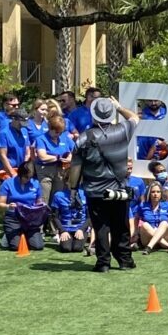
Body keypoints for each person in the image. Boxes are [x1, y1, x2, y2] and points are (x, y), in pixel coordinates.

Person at [67, 96, 140, 273]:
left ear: (93, 115)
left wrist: (73, 188)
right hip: (118, 189)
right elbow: (135, 119)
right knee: (120, 225)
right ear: (110, 114)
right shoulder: (122, 131)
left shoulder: (83, 138)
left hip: (95, 190)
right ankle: (124, 259)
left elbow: (75, 167)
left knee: (100, 227)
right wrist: (119, 107)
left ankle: (103, 262)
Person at [0, 160, 47, 251]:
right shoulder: (7, 183)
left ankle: (24, 234)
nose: (28, 179)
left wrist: (42, 206)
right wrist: (8, 206)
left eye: (30, 177)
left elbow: (39, 202)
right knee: (15, 247)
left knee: (38, 246)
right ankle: (8, 234)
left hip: (29, 219)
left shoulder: (35, 183)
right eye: (26, 177)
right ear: (20, 174)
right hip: (13, 217)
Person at [35, 115, 74, 207]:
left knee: (57, 196)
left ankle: (55, 217)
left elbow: (74, 150)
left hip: (60, 171)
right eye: (57, 132)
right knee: (44, 196)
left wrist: (70, 157)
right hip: (45, 170)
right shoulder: (41, 139)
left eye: (61, 132)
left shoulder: (64, 137)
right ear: (50, 129)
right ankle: (43, 219)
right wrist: (58, 157)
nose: (59, 134)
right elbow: (42, 156)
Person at [134, 182, 168, 255]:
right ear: (149, 194)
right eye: (153, 192)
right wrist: (135, 233)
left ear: (161, 193)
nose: (155, 194)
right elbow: (136, 218)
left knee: (164, 223)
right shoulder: (143, 205)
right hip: (148, 238)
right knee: (145, 224)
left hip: (165, 237)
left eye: (158, 192)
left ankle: (149, 247)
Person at [51, 185, 90, 253]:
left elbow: (89, 217)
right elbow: (55, 217)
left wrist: (82, 229)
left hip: (80, 227)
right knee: (66, 248)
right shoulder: (58, 195)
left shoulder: (85, 193)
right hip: (66, 227)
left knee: (77, 248)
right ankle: (61, 237)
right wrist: (62, 231)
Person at [0, 109, 31, 178]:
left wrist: (24, 168)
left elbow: (27, 151)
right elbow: (3, 155)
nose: (22, 126)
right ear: (13, 119)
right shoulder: (4, 133)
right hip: (6, 171)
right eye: (20, 123)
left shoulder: (24, 131)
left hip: (20, 169)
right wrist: (12, 173)